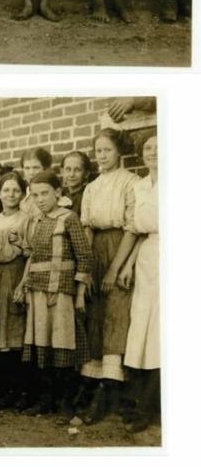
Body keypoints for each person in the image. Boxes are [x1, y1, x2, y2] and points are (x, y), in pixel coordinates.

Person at [15, 170, 93, 417]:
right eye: (35, 195)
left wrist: (79, 294)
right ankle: (46, 400)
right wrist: (23, 284)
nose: (40, 199)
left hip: (61, 291)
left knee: (63, 343)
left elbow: (84, 257)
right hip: (37, 290)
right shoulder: (35, 221)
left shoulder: (68, 218)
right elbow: (32, 257)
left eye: (45, 193)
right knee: (43, 344)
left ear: (58, 193)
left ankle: (65, 401)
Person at [78, 127, 136, 424]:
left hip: (120, 248)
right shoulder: (93, 187)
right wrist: (86, 269)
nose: (102, 156)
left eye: (107, 150)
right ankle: (94, 386)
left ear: (119, 152)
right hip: (96, 248)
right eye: (98, 150)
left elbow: (132, 228)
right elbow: (88, 227)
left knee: (117, 314)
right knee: (96, 314)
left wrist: (114, 268)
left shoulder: (131, 182)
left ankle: (113, 390)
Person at [120, 133, 159, 433]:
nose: (153, 153)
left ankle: (151, 408)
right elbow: (138, 230)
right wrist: (129, 263)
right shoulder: (140, 184)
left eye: (160, 147)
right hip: (147, 257)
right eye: (148, 148)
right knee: (142, 329)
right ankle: (139, 405)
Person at [0, 171, 33, 408]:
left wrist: (23, 284)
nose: (11, 194)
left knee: (17, 332)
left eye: (16, 190)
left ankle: (22, 391)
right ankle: (3, 391)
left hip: (17, 274)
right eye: (6, 190)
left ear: (23, 194)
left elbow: (31, 252)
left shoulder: (27, 219)